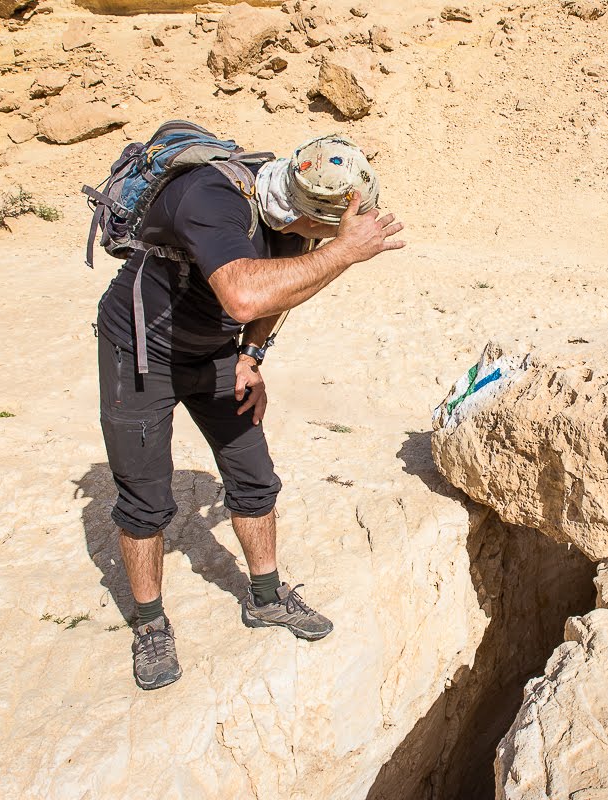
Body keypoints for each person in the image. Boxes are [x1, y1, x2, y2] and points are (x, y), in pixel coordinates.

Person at [95, 135, 404, 690]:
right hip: (142, 351)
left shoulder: (290, 222)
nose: (326, 242)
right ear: (306, 211)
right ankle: (149, 624)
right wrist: (343, 252)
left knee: (253, 475)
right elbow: (243, 297)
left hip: (215, 353)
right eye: (324, 231)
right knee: (146, 498)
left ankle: (265, 598)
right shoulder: (212, 196)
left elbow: (284, 288)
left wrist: (252, 355)